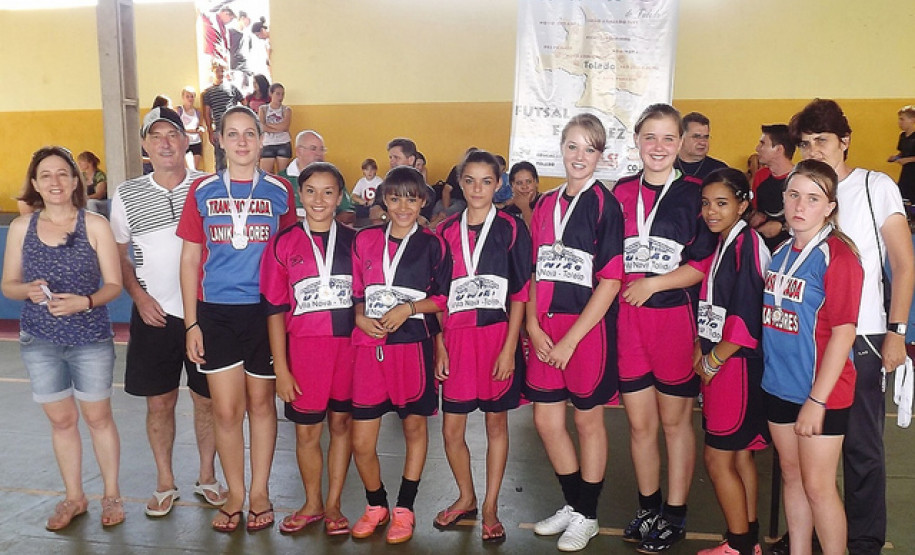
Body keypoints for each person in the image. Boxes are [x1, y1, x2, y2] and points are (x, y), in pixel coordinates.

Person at [789, 98, 915, 555]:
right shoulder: (801, 188)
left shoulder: (873, 186)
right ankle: (806, 534)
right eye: (805, 143)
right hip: (805, 344)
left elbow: (904, 264)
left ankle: (861, 543)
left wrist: (897, 331)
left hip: (860, 337)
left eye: (822, 141)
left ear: (844, 141)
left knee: (861, 449)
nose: (814, 150)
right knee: (805, 447)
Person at [177, 105, 297, 533]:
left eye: (250, 133)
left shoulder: (282, 190)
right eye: (233, 134)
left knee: (263, 406)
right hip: (216, 314)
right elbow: (191, 258)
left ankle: (260, 491)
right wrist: (192, 323)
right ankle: (235, 493)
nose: (243, 141)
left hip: (266, 313)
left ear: (262, 139)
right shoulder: (203, 190)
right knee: (226, 411)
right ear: (220, 140)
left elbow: (290, 257)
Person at [110, 106, 228, 518]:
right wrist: (140, 299)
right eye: (155, 135)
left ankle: (208, 477)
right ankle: (165, 482)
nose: (164, 142)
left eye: (172, 134)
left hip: (206, 317)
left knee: (207, 401)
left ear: (185, 141)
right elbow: (121, 256)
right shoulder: (126, 195)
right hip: (153, 317)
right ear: (145, 144)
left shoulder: (210, 186)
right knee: (158, 403)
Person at [1, 146, 124, 529]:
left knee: (98, 417)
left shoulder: (96, 226)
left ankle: (111, 495)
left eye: (62, 174)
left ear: (76, 181)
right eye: (46, 175)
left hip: (90, 339)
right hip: (40, 342)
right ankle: (74, 497)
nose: (55, 182)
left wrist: (84, 302)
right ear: (35, 183)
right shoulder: (22, 228)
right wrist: (28, 290)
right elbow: (9, 286)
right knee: (61, 422)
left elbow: (114, 286)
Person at [614, 103, 717, 552]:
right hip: (628, 323)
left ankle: (674, 512)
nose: (658, 147)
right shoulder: (618, 192)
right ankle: (647, 505)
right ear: (636, 141)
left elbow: (702, 264)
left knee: (675, 424)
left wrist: (652, 284)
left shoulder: (696, 192)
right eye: (650, 137)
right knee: (639, 426)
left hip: (673, 320)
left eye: (668, 138)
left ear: (680, 144)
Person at [526, 114, 623, 552]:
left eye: (589, 148)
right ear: (560, 148)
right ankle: (573, 504)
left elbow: (611, 281)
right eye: (572, 146)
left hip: (586, 331)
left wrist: (571, 340)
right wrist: (531, 322)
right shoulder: (544, 204)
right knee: (547, 420)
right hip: (545, 325)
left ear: (600, 156)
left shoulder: (607, 204)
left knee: (587, 421)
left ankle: (588, 515)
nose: (579, 156)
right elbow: (534, 270)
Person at [762, 159, 864, 555]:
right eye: (793, 195)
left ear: (829, 206)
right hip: (779, 385)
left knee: (819, 487)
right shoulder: (782, 252)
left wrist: (817, 401)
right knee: (791, 476)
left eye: (812, 198)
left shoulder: (838, 257)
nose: (799, 206)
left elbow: (843, 335)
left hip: (820, 392)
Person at [349, 166, 452, 544]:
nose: (403, 206)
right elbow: (357, 291)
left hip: (413, 346)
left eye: (411, 198)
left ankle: (404, 508)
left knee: (413, 428)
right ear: (384, 201)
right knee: (362, 441)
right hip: (369, 349)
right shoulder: (364, 240)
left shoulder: (434, 244)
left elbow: (443, 298)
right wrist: (359, 318)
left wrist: (408, 309)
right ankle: (376, 504)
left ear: (423, 200)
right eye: (395, 198)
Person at [435, 150, 532, 543]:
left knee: (496, 423)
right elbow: (437, 295)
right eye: (470, 181)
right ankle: (466, 496)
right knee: (451, 428)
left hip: (496, 337)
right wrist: (440, 345)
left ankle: (491, 506)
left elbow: (522, 292)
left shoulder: (511, 227)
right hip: (456, 339)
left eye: (486, 181)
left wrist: (511, 348)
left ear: (498, 184)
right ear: (459, 182)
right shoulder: (443, 232)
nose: (477, 189)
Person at [260, 162, 355, 536]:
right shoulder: (283, 242)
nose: (319, 199)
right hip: (304, 352)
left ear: (340, 197)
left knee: (343, 424)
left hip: (349, 349)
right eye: (311, 191)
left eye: (328, 192)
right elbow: (274, 309)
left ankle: (333, 505)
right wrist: (281, 369)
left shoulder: (355, 241)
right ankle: (312, 501)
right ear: (300, 195)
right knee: (306, 433)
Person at [694, 168, 771, 555]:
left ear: (743, 204)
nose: (711, 211)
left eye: (722, 203)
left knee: (717, 457)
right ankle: (747, 540)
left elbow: (746, 316)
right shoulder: (726, 242)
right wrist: (701, 345)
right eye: (706, 203)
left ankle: (739, 546)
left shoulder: (748, 244)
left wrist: (713, 359)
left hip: (735, 365)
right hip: (723, 361)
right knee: (740, 454)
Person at [279, 130, 355, 224]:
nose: (319, 154)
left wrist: (326, 227)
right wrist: (307, 227)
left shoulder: (333, 177)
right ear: (299, 151)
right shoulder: (281, 181)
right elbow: (277, 217)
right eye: (313, 149)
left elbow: (349, 212)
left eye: (322, 149)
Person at [750, 124, 795, 251]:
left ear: (779, 149)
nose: (757, 148)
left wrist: (781, 226)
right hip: (761, 248)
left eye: (763, 143)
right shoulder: (761, 175)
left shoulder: (800, 178)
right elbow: (756, 210)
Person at [201, 62, 243, 172]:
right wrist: (210, 131)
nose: (220, 73)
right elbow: (207, 113)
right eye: (217, 71)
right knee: (220, 161)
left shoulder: (232, 87)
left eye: (222, 71)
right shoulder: (208, 92)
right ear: (212, 72)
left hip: (235, 128)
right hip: (219, 129)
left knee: (237, 156)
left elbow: (244, 104)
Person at [676, 112, 728, 180]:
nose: (703, 142)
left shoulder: (720, 170)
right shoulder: (666, 165)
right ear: (681, 138)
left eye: (706, 137)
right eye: (696, 137)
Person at [258, 83, 292, 174]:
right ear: (271, 94)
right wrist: (278, 127)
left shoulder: (286, 110)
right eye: (277, 94)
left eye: (282, 94)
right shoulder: (263, 109)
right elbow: (261, 126)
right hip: (268, 143)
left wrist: (268, 125)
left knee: (283, 175)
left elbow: (285, 127)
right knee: (265, 175)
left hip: (283, 143)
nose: (280, 97)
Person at [889, 104, 915, 202]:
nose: (899, 122)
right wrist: (896, 157)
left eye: (902, 119)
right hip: (906, 173)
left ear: (912, 120)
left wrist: (908, 160)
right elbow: (902, 152)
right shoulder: (903, 136)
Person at [503, 160, 541, 228]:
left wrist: (525, 208)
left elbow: (537, 233)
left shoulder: (546, 204)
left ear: (536, 182)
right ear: (512, 185)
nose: (524, 187)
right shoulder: (507, 210)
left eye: (528, 182)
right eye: (519, 183)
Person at [178, 86, 205, 170]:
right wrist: (190, 131)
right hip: (183, 143)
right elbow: (177, 127)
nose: (190, 99)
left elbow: (200, 126)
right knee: (187, 169)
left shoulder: (197, 112)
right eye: (187, 96)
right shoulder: (179, 110)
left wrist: (200, 129)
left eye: (192, 96)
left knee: (194, 170)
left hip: (196, 142)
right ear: (183, 97)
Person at [76, 151, 108, 217]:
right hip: (86, 202)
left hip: (101, 204)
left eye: (81, 161)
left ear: (89, 162)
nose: (79, 164)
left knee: (91, 203)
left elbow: (99, 195)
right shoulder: (82, 176)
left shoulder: (99, 175)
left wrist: (84, 198)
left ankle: (94, 224)